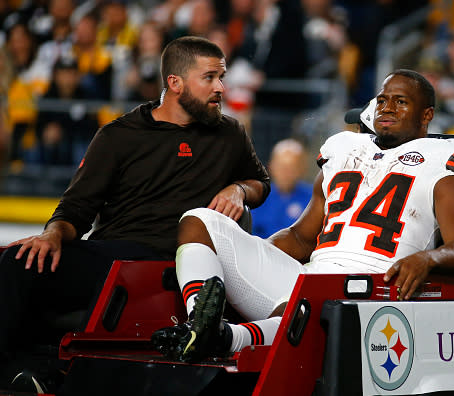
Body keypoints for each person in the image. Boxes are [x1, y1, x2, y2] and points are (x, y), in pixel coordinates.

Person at [152, 69, 454, 363]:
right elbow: (300, 238)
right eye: (382, 100)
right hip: (310, 274)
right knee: (201, 220)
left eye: (401, 102)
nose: (387, 108)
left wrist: (428, 259)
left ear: (427, 115)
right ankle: (200, 321)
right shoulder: (344, 149)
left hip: (368, 288)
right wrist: (253, 256)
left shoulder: (445, 159)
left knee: (303, 307)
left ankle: (226, 338)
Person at [0, 36, 270, 387]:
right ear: (175, 83)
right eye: (210, 78)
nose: (221, 87)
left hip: (174, 262)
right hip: (115, 256)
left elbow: (260, 182)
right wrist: (52, 234)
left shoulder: (230, 132)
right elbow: (76, 208)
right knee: (19, 259)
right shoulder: (119, 136)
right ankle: (22, 371)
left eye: (222, 76)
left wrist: (239, 190)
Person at [251, 139, 312, 238]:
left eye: (292, 167)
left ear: (302, 169)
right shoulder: (258, 196)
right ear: (271, 167)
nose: (286, 173)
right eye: (281, 167)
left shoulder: (313, 198)